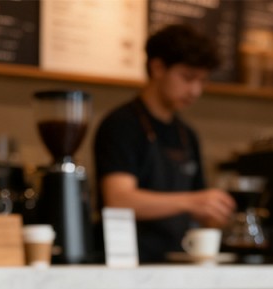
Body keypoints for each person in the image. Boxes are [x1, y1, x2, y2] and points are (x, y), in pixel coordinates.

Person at [93, 24, 236, 263]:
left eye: (202, 81)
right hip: (128, 263)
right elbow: (118, 199)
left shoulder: (187, 135)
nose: (195, 91)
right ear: (157, 68)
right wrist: (191, 201)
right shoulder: (122, 124)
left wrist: (218, 211)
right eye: (188, 78)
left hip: (178, 261)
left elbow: (201, 208)